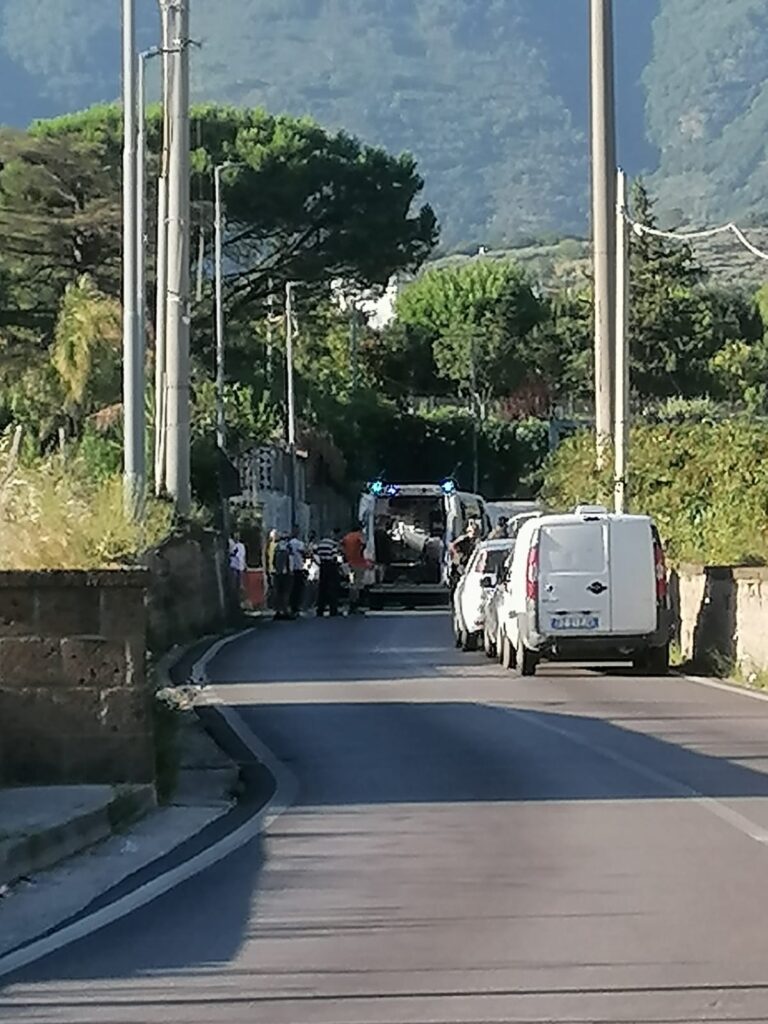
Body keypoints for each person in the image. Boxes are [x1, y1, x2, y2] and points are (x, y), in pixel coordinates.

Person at [341, 521, 369, 614]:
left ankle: (350, 604)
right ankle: (354, 604)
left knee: (351, 584)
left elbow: (341, 546)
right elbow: (364, 543)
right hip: (358, 562)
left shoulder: (347, 537)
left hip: (349, 563)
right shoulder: (359, 536)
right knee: (357, 584)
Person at [315, 528, 342, 617]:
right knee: (333, 588)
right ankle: (333, 609)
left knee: (322, 588)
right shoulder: (333, 544)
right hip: (331, 566)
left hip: (323, 566)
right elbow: (335, 556)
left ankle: (320, 609)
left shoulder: (320, 544)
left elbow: (316, 554)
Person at [448, 519, 480, 593]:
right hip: (460, 565)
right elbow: (452, 546)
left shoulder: (476, 541)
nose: (474, 534)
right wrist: (458, 556)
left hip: (469, 563)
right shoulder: (463, 539)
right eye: (472, 531)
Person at [287, 525, 306, 618]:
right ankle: (297, 607)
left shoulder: (289, 543)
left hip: (290, 568)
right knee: (298, 589)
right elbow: (304, 553)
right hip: (298, 567)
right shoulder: (299, 543)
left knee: (292, 589)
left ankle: (292, 607)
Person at [272, 533, 292, 620]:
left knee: (278, 593)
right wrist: (289, 571)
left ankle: (278, 611)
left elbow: (273, 562)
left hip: (277, 573)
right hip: (285, 574)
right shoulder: (287, 549)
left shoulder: (276, 549)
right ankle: (285, 611)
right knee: (285, 593)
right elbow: (288, 563)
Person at [228, 531, 247, 602]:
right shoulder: (234, 545)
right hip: (235, 567)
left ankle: (240, 601)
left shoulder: (240, 546)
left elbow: (241, 556)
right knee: (236, 586)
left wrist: (244, 565)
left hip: (239, 567)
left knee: (240, 586)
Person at [264, 528, 279, 607]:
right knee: (273, 587)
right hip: (272, 569)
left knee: (273, 587)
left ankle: (272, 603)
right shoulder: (271, 545)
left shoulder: (271, 545)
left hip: (273, 569)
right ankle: (272, 603)